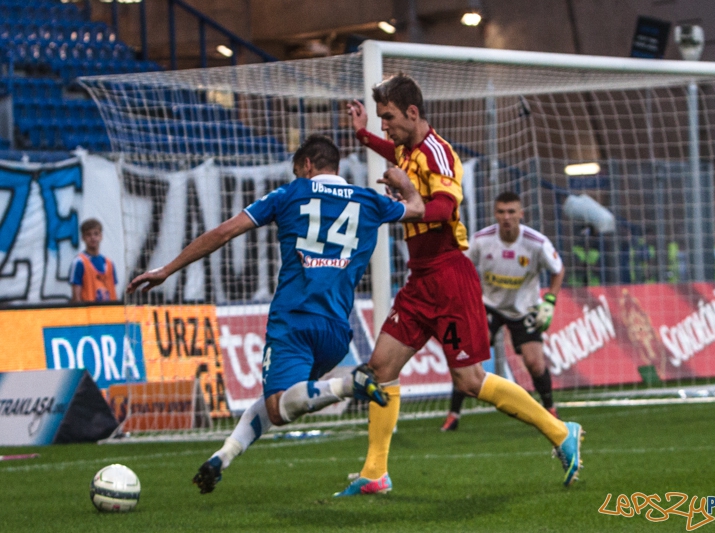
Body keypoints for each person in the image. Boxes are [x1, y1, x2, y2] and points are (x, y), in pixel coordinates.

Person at [126, 134, 425, 494]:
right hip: (334, 330)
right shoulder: (370, 201)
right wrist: (407, 186)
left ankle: (349, 384)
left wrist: (167, 269)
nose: (297, 175)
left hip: (294, 319)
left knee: (282, 407)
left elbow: (224, 232)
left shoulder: (290, 194)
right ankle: (223, 455)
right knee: (283, 399)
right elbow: (418, 209)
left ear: (308, 165)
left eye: (298, 169)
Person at [337, 74, 583, 496]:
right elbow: (388, 149)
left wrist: (405, 197)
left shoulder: (439, 153)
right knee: (382, 367)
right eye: (380, 119)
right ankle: (375, 472)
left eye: (388, 117)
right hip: (421, 280)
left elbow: (442, 207)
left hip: (451, 277)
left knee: (470, 381)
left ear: (413, 113)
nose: (385, 126)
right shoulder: (406, 146)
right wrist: (362, 134)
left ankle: (561, 431)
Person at [440, 191, 565, 432]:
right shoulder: (482, 240)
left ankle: (550, 409)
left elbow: (558, 270)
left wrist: (549, 300)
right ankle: (453, 414)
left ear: (521, 214)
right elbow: (461, 265)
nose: (506, 217)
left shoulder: (536, 242)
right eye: (501, 212)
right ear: (495, 214)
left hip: (525, 307)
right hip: (489, 305)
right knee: (467, 357)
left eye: (511, 212)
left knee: (535, 363)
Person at [69, 218, 118, 302]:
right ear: (83, 238)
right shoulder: (79, 262)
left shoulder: (109, 263)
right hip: (89, 313)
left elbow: (113, 293)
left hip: (108, 314)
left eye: (96, 234)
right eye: (88, 234)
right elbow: (76, 298)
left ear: (101, 236)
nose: (93, 237)